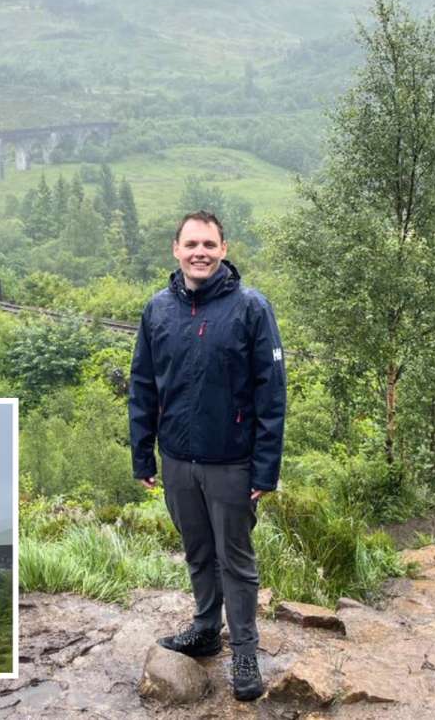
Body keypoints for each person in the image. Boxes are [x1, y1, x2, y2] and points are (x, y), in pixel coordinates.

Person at [129, 210, 286, 702]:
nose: (200, 252)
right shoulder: (158, 310)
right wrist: (143, 454)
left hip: (231, 462)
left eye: (209, 244)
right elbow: (142, 385)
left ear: (223, 250)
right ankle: (203, 628)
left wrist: (266, 469)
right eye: (191, 244)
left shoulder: (250, 308)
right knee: (197, 552)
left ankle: (243, 650)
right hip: (177, 459)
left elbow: (272, 395)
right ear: (175, 250)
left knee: (235, 560)